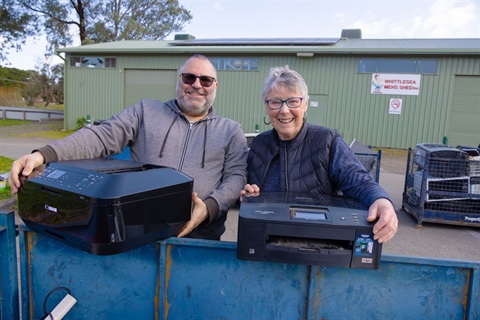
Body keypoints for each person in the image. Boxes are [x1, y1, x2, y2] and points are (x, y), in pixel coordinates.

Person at [8, 54, 248, 240]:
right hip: (138, 232)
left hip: (202, 238)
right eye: (189, 77)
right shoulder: (146, 112)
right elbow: (101, 136)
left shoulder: (230, 130)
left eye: (205, 80)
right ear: (179, 81)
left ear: (215, 85)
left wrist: (208, 208)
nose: (197, 85)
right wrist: (43, 155)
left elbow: (236, 177)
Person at [241, 65, 398, 243]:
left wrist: (381, 199)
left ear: (305, 104)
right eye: (275, 102)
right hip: (266, 244)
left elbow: (356, 178)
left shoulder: (326, 141)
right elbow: (244, 186)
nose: (284, 110)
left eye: (293, 101)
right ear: (267, 106)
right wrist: (246, 195)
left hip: (316, 245)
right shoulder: (259, 144)